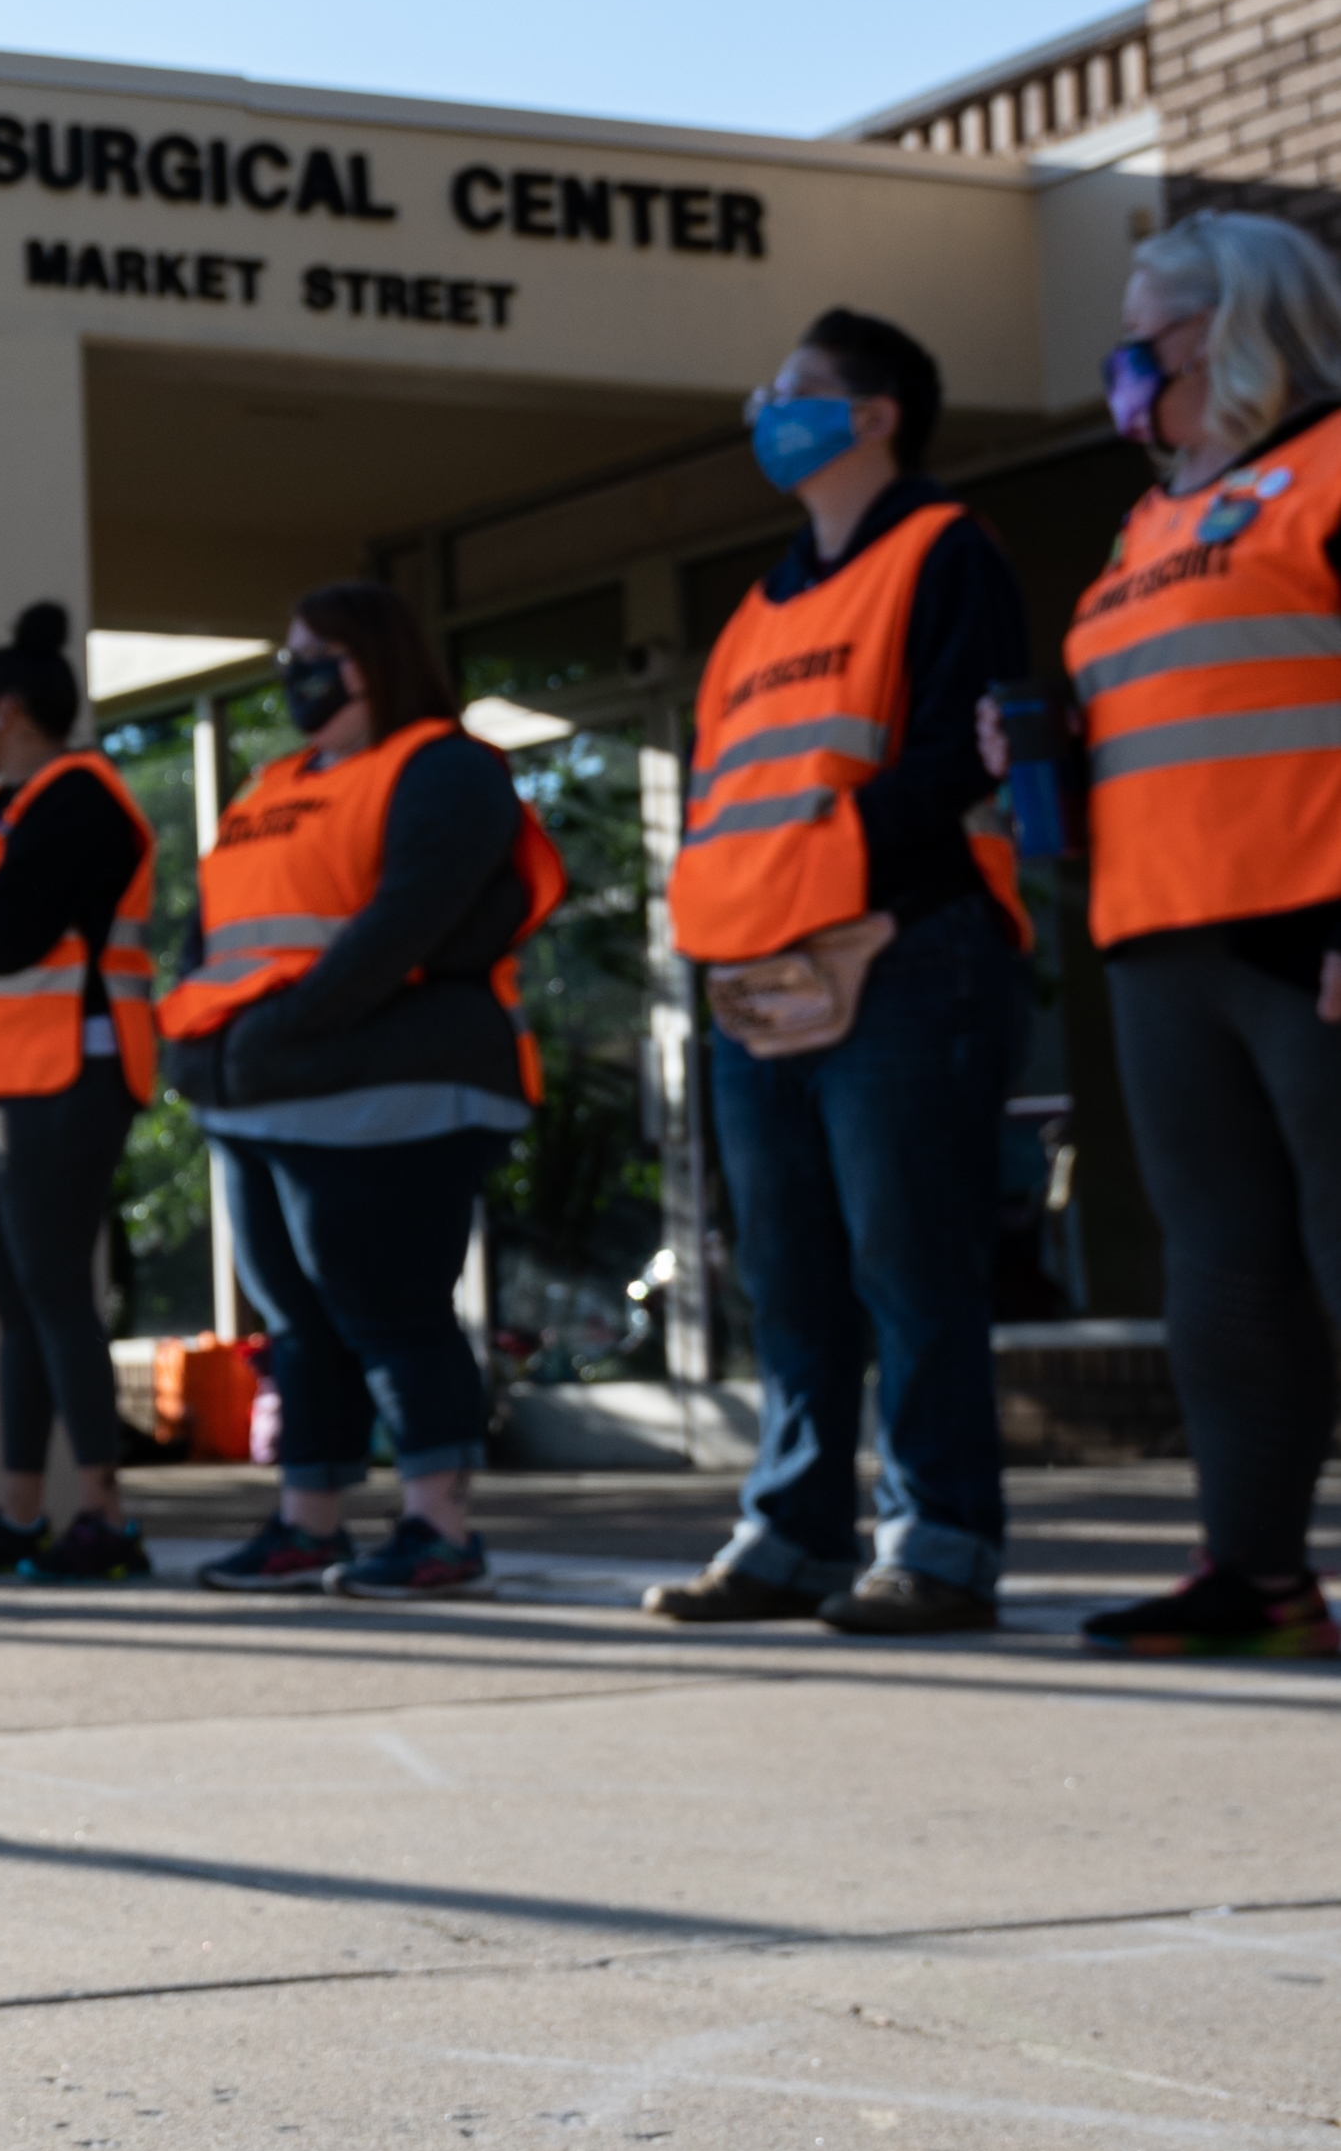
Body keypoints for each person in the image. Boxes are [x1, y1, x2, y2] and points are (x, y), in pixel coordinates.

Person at [647, 311, 1032, 1637]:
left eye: (798, 391)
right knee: (790, 1273)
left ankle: (939, 1540)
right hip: (762, 969)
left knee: (910, 1260)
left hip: (906, 949)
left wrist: (832, 868)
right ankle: (792, 1529)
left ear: (873, 417)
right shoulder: (756, 609)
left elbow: (957, 755)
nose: (768, 408)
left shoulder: (944, 553)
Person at [1006, 212, 1341, 1659]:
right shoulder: (1147, 522)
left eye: (1142, 326)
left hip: (1308, 926)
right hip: (1160, 939)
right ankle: (1255, 1580)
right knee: (1223, 1278)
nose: (1123, 356)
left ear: (1224, 326)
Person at [156, 582, 561, 1601]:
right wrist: (201, 1046)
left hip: (394, 1090)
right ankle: (310, 1522)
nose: (294, 671)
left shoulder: (444, 769)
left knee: (390, 1306)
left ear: (372, 659)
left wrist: (283, 1032)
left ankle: (438, 1529)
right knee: (297, 1316)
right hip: (262, 1093)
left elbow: (407, 923)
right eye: (288, 652)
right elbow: (210, 938)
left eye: (316, 653)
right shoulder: (265, 787)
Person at [0, 606, 161, 1584]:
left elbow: (9, 928)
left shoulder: (82, 799)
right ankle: (20, 1514)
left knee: (57, 1293)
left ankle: (102, 1514)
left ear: (4, 711)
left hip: (66, 1069)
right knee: (15, 1301)